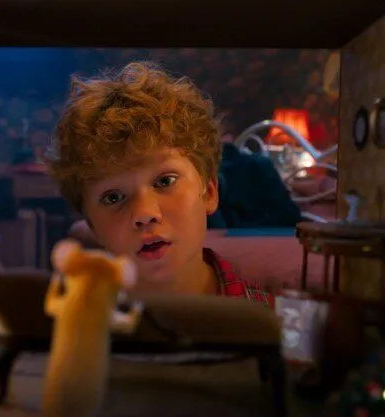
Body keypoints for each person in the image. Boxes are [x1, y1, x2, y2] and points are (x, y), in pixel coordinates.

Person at [43, 61, 272, 306]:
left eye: (165, 181)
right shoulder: (74, 322)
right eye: (113, 197)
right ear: (92, 226)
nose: (144, 214)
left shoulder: (273, 320)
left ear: (209, 192)